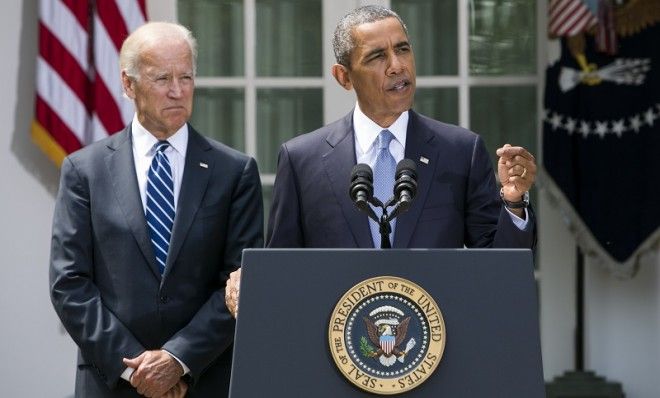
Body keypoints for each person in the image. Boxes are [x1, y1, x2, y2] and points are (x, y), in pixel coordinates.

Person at [224, 5, 537, 317]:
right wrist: (253, 281)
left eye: (402, 50)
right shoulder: (301, 159)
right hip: (333, 352)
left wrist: (513, 203)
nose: (397, 66)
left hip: (437, 347)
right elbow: (284, 270)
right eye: (377, 57)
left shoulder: (459, 150)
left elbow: (499, 267)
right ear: (344, 76)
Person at [49, 22, 263, 397]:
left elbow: (241, 284)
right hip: (112, 381)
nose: (178, 91)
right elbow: (70, 284)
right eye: (163, 78)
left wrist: (177, 360)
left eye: (186, 77)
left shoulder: (235, 172)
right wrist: (136, 368)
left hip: (204, 379)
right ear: (129, 85)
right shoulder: (85, 171)